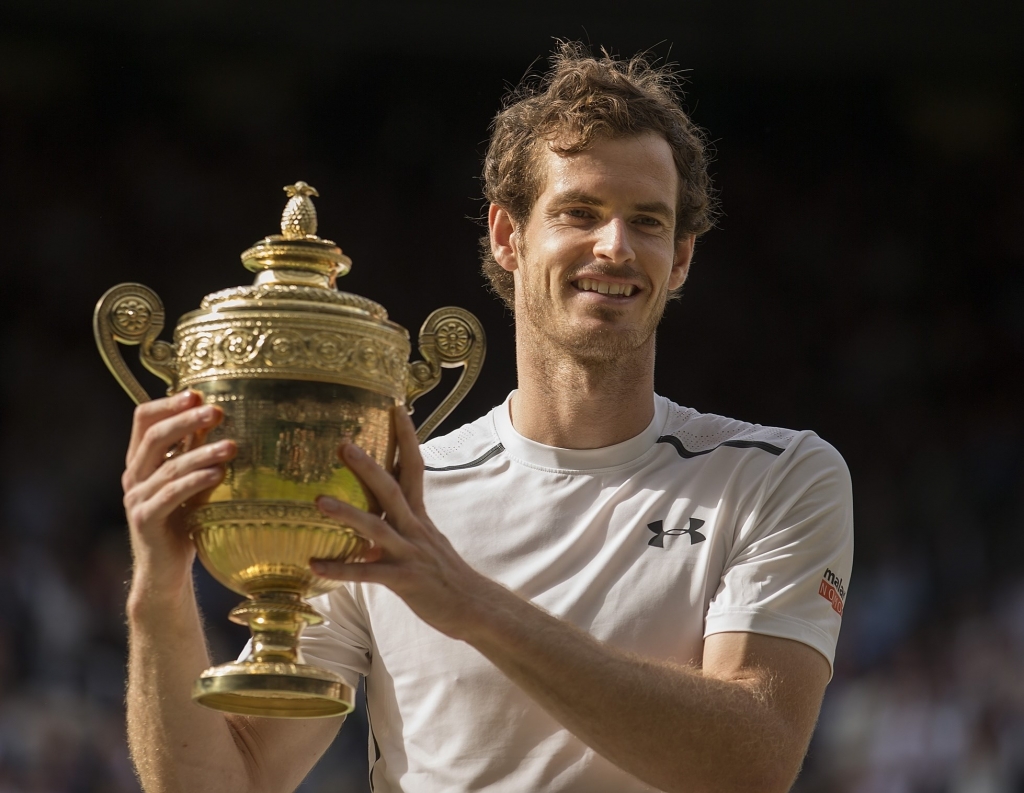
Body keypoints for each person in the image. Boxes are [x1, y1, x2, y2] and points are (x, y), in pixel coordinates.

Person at [121, 43, 853, 793]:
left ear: (683, 256)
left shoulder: (778, 476)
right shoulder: (389, 499)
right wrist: (158, 591)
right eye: (580, 212)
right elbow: (221, 784)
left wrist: (472, 604)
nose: (615, 246)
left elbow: (751, 760)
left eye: (648, 221)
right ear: (508, 236)